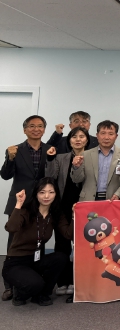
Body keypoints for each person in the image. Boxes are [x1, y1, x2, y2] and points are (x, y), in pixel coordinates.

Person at [1, 115, 51, 301]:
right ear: (25, 130)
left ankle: (35, 280)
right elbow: (5, 175)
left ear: (44, 129)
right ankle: (10, 285)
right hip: (19, 202)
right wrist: (10, 158)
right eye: (32, 126)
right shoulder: (15, 149)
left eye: (40, 126)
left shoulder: (50, 149)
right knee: (14, 243)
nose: (36, 129)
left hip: (42, 203)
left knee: (40, 241)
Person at [2, 179, 73, 306]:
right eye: (42, 192)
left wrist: (74, 216)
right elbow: (11, 228)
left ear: (56, 194)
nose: (46, 196)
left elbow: (68, 234)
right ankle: (20, 293)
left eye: (51, 192)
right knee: (36, 283)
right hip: (15, 263)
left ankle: (42, 295)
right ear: (36, 194)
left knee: (61, 257)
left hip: (35, 260)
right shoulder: (26, 210)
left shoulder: (55, 214)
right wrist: (18, 204)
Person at [45, 126, 89, 297]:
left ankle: (79, 281)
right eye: (74, 136)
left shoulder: (92, 158)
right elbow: (50, 176)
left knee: (83, 245)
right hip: (63, 207)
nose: (78, 139)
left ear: (87, 140)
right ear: (69, 140)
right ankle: (63, 281)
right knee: (62, 245)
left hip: (85, 207)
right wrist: (50, 159)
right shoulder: (61, 158)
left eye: (81, 136)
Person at [70, 120, 120, 202]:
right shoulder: (85, 154)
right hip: (88, 199)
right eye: (103, 133)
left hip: (113, 200)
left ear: (116, 136)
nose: (106, 137)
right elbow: (77, 180)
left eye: (111, 134)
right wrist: (76, 167)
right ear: (97, 135)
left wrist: (118, 194)